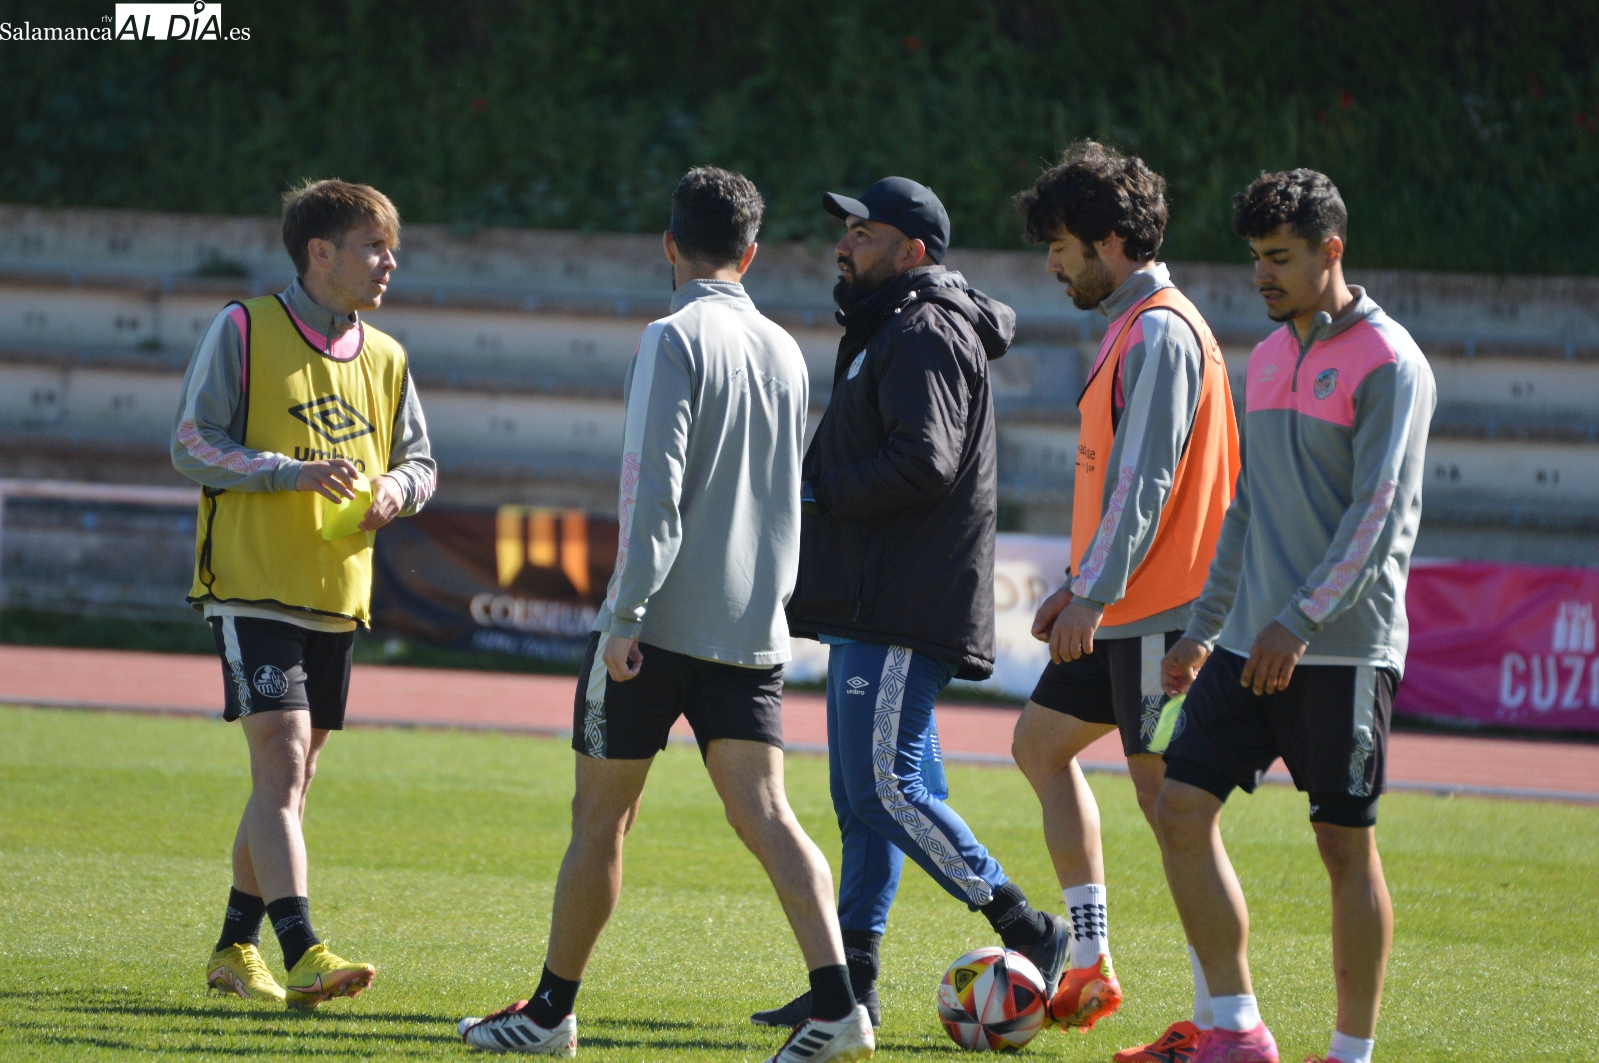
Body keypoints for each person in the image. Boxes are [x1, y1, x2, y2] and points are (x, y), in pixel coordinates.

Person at [458, 168, 873, 1062]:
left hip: (656, 627)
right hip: (752, 627)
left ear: (668, 243)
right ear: (751, 253)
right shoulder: (783, 348)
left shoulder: (671, 335)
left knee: (600, 819)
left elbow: (655, 488)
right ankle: (840, 1009)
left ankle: (549, 1014)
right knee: (770, 815)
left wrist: (623, 612)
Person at [753, 177, 1068, 1033]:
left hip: (903, 599)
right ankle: (850, 982)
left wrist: (811, 492)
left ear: (914, 250)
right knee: (863, 798)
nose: (844, 243)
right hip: (877, 595)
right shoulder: (890, 322)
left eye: (864, 231)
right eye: (846, 229)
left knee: (883, 790)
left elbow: (920, 464)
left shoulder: (924, 328)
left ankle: (1024, 923)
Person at [1154, 170, 1435, 1063]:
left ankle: (1348, 1054)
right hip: (1245, 642)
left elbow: (1378, 512)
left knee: (1339, 844)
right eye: (1254, 260)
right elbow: (1245, 508)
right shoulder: (1268, 354)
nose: (1261, 276)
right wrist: (1204, 628)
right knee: (1177, 805)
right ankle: (1234, 1028)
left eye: (1279, 258)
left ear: (1331, 252)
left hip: (1340, 649)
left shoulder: (1391, 362)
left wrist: (1301, 619)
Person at [174, 178, 437, 1007]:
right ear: (319, 253)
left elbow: (422, 463)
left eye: (389, 246)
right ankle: (304, 949)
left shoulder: (389, 356)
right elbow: (189, 442)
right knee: (282, 761)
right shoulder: (243, 328)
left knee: (287, 780)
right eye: (372, 246)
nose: (388, 261)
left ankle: (230, 949)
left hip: (337, 591)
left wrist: (397, 489)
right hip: (251, 587)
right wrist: (287, 472)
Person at [1009, 141, 1241, 1056]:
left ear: (1109, 240)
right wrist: (1078, 585)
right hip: (1119, 605)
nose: (1052, 263)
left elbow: (1146, 482)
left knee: (1174, 815)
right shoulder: (1132, 325)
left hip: (1157, 615)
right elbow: (1124, 483)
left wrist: (1091, 594)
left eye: (1062, 244)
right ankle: (1094, 957)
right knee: (1038, 746)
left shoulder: (1159, 331)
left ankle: (1223, 1017)